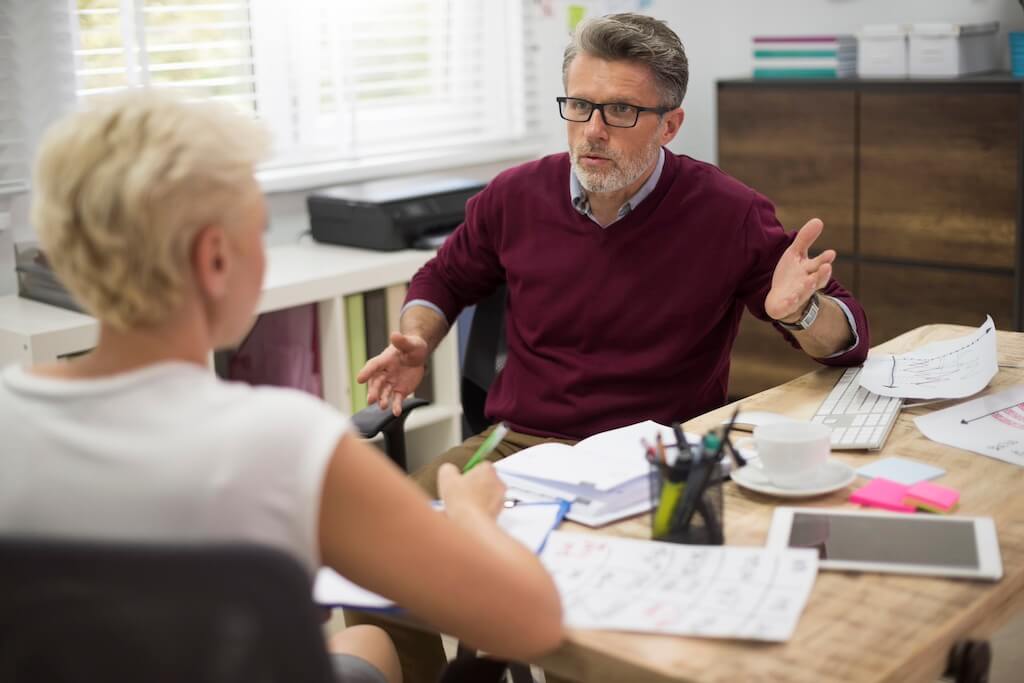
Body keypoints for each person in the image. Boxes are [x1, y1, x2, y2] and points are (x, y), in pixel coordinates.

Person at [354, 13, 869, 682]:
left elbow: (846, 340)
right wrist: (417, 338)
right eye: (579, 105)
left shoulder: (727, 211)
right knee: (371, 552)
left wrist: (800, 310)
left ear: (670, 124)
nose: (592, 129)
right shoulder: (515, 194)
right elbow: (444, 278)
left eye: (621, 110)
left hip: (654, 461)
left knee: (604, 634)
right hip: (518, 448)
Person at [0, 90, 563, 683]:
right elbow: (533, 625)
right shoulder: (288, 446)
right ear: (215, 259)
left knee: (367, 638)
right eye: (260, 232)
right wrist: (472, 518)